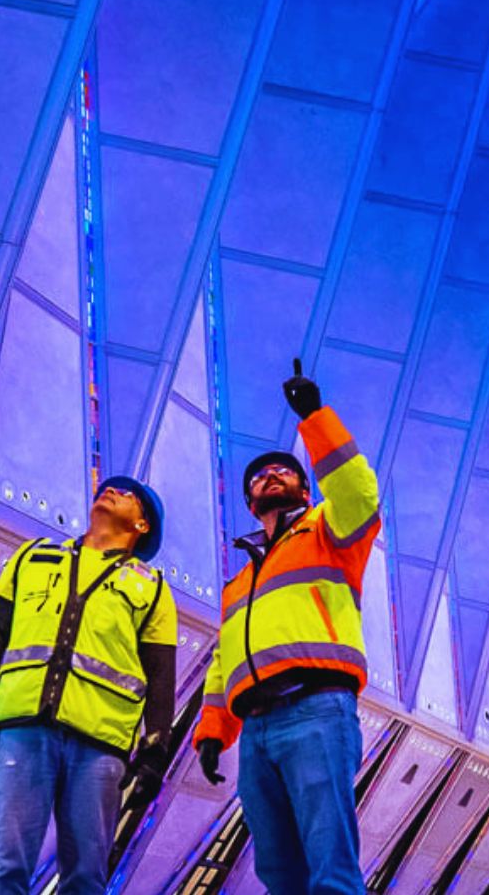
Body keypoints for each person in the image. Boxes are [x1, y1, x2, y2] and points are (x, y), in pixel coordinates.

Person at [191, 360, 382, 895]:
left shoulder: (329, 531)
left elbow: (359, 495)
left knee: (331, 866)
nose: (271, 475)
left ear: (303, 490)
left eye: (284, 472)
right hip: (256, 729)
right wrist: (212, 732)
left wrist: (315, 418)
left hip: (317, 710)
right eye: (259, 477)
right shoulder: (240, 583)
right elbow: (222, 664)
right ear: (251, 502)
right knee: (278, 872)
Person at [0, 476, 177, 895]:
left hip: (100, 747)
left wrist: (155, 753)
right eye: (107, 487)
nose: (110, 490)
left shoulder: (152, 588)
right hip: (24, 731)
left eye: (127, 493)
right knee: (4, 867)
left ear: (142, 526)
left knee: (85, 879)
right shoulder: (33, 556)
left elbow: (161, 677)